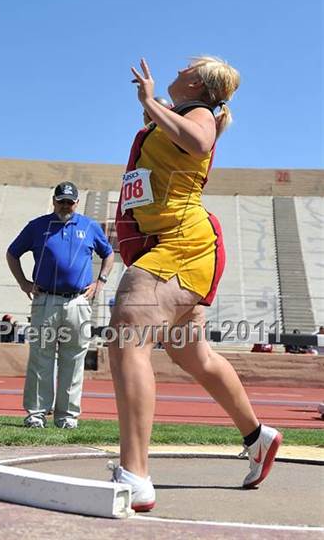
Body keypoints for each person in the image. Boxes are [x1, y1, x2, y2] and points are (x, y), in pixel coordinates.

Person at [109, 57, 282, 511]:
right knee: (194, 355)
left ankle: (135, 474)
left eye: (188, 66)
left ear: (197, 82)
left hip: (181, 244)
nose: (179, 65)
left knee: (128, 331)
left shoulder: (199, 114)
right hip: (176, 245)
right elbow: (162, 130)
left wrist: (150, 101)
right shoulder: (177, 112)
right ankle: (257, 436)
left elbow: (201, 142)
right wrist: (150, 102)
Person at [7, 181, 114, 429]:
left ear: (76, 202)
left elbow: (108, 253)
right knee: (40, 357)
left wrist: (100, 282)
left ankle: (67, 416)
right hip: (45, 298)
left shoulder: (89, 226)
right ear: (53, 201)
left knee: (74, 359)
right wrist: (23, 282)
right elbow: (12, 253)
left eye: (70, 201)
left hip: (78, 300)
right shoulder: (37, 226)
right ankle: (36, 414)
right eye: (61, 201)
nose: (65, 205)